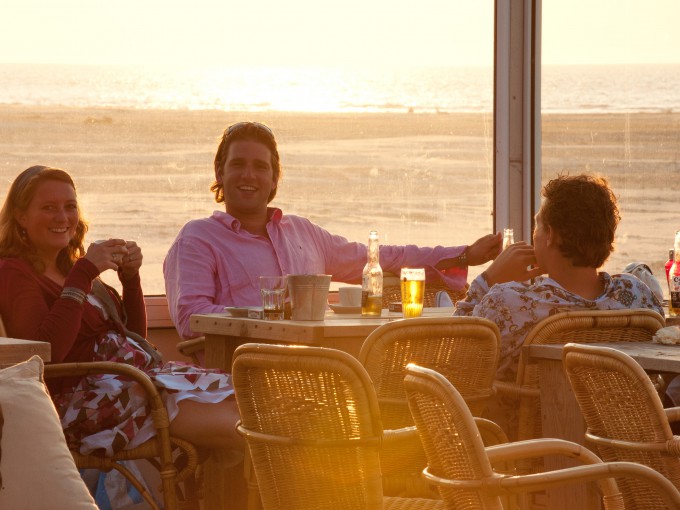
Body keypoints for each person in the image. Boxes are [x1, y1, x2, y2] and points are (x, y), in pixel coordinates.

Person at [164, 121, 503, 338]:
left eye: (260, 167)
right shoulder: (197, 239)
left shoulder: (302, 233)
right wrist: (269, 318)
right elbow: (189, 319)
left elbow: (382, 257)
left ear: (274, 178)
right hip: (237, 372)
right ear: (220, 174)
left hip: (315, 369)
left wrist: (465, 254)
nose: (248, 175)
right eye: (237, 165)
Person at [0, 165, 243, 460]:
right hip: (87, 402)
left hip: (133, 379)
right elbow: (45, 354)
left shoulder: (70, 268)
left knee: (246, 403)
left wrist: (131, 280)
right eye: (49, 208)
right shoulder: (15, 272)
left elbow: (133, 339)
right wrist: (85, 272)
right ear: (20, 216)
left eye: (70, 206)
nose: (63, 218)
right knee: (239, 427)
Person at [454, 173, 664, 434]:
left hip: (529, 452)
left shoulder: (509, 303)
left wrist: (488, 279)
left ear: (550, 235)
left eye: (537, 226)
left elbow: (458, 358)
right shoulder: (636, 294)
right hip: (619, 448)